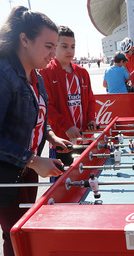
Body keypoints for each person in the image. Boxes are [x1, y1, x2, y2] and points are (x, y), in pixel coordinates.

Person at [0, 6, 71, 256]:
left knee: (20, 230)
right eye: (48, 46)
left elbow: (34, 117)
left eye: (55, 47)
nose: (52, 54)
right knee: (18, 233)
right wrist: (32, 160)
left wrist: (51, 136)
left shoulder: (35, 74)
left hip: (25, 169)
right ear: (24, 39)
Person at [40, 25, 96, 172]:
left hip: (84, 138)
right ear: (55, 47)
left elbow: (90, 100)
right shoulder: (45, 73)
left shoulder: (83, 73)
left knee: (86, 180)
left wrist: (91, 119)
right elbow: (47, 108)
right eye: (64, 46)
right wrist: (66, 126)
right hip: (61, 142)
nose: (70, 50)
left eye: (73, 46)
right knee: (61, 183)